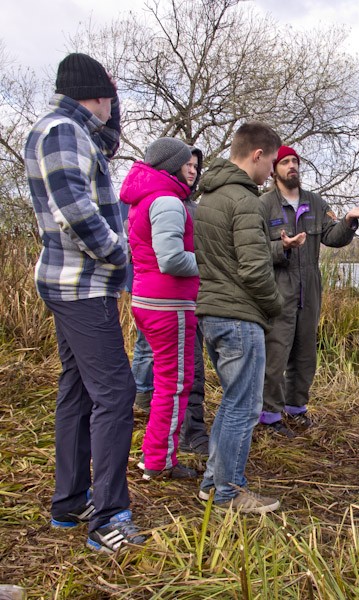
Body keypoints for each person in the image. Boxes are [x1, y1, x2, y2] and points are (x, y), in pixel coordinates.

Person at [24, 52, 146, 552]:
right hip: (82, 284)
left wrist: (108, 129)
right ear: (98, 95)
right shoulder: (61, 131)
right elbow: (74, 210)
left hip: (74, 282)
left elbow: (95, 173)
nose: (114, 107)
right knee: (116, 394)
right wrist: (118, 256)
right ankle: (109, 518)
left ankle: (70, 504)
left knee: (77, 389)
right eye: (111, 98)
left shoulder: (72, 131)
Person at [193, 122, 284, 513]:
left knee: (233, 401)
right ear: (257, 155)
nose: (272, 174)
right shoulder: (245, 200)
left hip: (212, 312)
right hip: (238, 315)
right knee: (244, 406)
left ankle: (214, 483)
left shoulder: (209, 196)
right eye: (272, 163)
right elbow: (253, 268)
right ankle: (228, 493)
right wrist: (275, 305)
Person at [258, 145, 359, 437]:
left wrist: (349, 220)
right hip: (279, 287)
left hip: (309, 287)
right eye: (285, 162)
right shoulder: (263, 205)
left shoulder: (315, 203)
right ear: (274, 170)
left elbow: (332, 237)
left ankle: (296, 408)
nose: (291, 166)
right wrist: (280, 247)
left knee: (305, 352)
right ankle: (269, 415)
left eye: (295, 161)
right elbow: (255, 249)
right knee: (276, 352)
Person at [120, 137, 202, 479]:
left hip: (149, 299)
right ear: (171, 165)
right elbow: (170, 260)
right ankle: (159, 461)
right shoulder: (167, 201)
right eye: (188, 164)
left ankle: (155, 455)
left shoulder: (146, 198)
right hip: (168, 303)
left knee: (166, 380)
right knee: (175, 384)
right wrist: (209, 263)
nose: (193, 170)